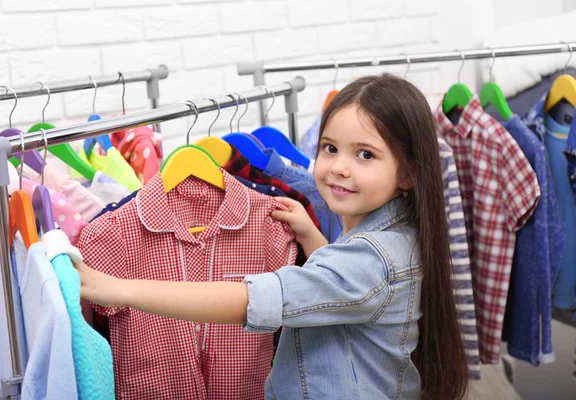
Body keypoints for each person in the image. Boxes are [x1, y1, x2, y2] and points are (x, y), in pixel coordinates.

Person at [74, 74, 469, 400]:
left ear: (409, 173)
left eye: (365, 154)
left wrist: (120, 290)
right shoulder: (395, 238)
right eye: (330, 148)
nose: (339, 168)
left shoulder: (373, 260)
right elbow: (341, 292)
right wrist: (314, 237)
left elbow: (250, 300)